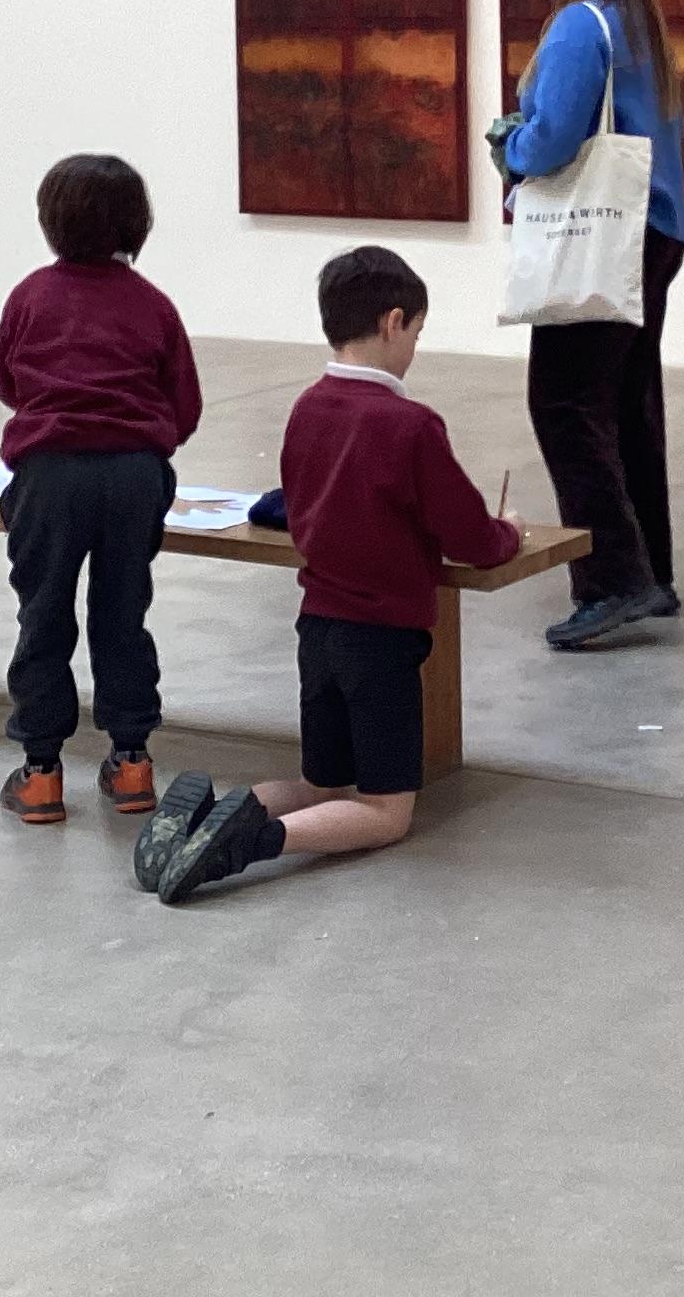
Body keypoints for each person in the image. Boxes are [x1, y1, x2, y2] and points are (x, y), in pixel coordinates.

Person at [141, 246, 524, 902]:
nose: (414, 349)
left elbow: (297, 503)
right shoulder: (411, 424)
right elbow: (471, 539)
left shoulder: (307, 408)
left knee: (321, 784)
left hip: (317, 628)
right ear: (394, 322)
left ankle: (202, 819)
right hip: (380, 640)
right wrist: (508, 531)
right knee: (386, 813)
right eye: (417, 334)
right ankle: (247, 843)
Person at [496, 0, 684, 652]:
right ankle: (651, 572)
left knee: (565, 405)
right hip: (654, 231)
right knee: (627, 403)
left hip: (602, 238)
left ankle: (613, 580)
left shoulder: (580, 25)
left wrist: (509, 146)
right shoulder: (637, 21)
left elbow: (551, 142)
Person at [0, 154, 202, 826]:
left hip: (50, 476)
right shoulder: (153, 304)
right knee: (122, 614)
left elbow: (5, 382)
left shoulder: (30, 296)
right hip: (133, 475)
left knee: (44, 615)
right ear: (138, 224)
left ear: (50, 221)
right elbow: (184, 404)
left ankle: (41, 773)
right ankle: (132, 761)